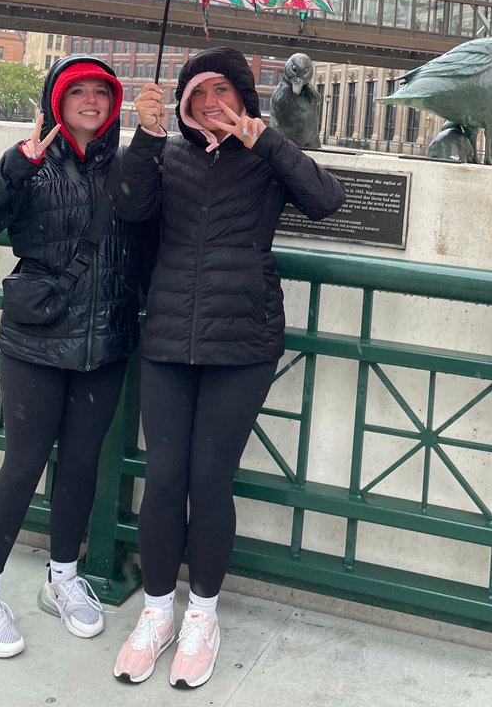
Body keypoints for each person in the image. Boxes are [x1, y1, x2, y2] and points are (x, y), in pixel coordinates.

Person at [111, 47, 344, 690]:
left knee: (209, 478)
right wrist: (144, 135)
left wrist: (266, 141)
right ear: (182, 103)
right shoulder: (168, 153)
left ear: (244, 99)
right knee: (163, 477)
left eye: (224, 91)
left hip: (242, 341)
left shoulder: (264, 160)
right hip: (166, 339)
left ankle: (203, 616)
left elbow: (327, 199)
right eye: (198, 93)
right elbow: (130, 208)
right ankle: (158, 611)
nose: (211, 103)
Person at [0, 56, 145, 658]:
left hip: (104, 341)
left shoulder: (127, 170)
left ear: (112, 105)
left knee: (82, 463)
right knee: (24, 463)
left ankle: (63, 577)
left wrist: (155, 140)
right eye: (75, 90)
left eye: (100, 93)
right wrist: (11, 168)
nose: (89, 101)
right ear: (55, 101)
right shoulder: (29, 164)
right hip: (36, 338)